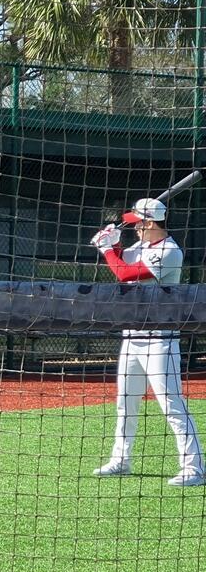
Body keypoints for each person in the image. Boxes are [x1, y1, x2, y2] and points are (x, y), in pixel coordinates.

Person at [90, 196, 204, 486]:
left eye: (138, 224)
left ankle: (194, 467)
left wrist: (107, 251)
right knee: (125, 402)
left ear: (151, 223)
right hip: (133, 335)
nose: (134, 229)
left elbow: (126, 273)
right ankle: (120, 459)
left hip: (160, 339)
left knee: (171, 404)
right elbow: (122, 262)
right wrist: (112, 243)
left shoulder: (169, 251)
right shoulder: (140, 246)